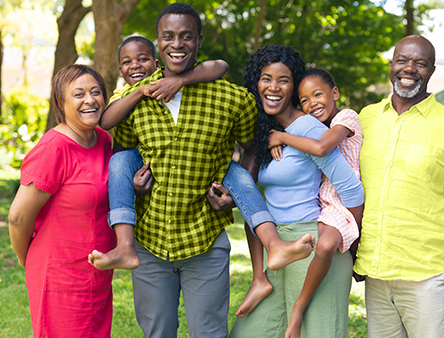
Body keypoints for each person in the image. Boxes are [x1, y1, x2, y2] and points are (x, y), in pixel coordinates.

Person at [110, 4, 267, 337]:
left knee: (208, 332)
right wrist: (133, 187)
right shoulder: (137, 98)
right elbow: (123, 152)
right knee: (158, 332)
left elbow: (253, 146)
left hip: (205, 242)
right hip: (149, 243)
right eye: (168, 37)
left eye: (186, 36)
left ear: (198, 40)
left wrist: (237, 193)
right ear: (158, 42)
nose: (177, 44)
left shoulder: (232, 98)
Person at [354, 35, 444, 338]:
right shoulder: (365, 119)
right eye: (403, 60)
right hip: (375, 271)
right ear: (391, 65)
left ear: (431, 70)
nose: (409, 69)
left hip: (426, 275)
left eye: (420, 63)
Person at [228, 44, 364, 338]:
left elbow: (351, 190)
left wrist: (353, 246)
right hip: (276, 247)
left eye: (284, 80)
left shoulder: (308, 128)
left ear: (293, 88)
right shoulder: (268, 132)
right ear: (256, 83)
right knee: (249, 333)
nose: (273, 87)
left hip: (312, 245)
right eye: (266, 78)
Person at [87, 35, 235, 271]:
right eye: (127, 62)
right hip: (139, 159)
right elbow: (105, 121)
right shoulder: (123, 93)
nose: (134, 65)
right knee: (118, 161)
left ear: (157, 65)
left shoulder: (179, 87)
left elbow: (221, 66)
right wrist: (138, 92)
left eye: (142, 59)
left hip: (185, 164)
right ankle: (124, 245)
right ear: (120, 70)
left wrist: (180, 81)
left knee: (238, 175)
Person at [8, 64, 116, 337]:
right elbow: (18, 217)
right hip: (59, 277)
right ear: (61, 102)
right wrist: (27, 258)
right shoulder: (53, 148)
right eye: (78, 94)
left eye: (96, 92)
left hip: (96, 272)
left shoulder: (102, 140)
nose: (90, 100)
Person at [264, 68, 363, 338]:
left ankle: (299, 309)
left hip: (341, 202)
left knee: (327, 244)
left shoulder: (346, 117)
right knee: (326, 245)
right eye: (304, 100)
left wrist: (283, 137)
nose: (311, 104)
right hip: (326, 200)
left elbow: (321, 148)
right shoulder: (318, 126)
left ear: (335, 93)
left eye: (318, 95)